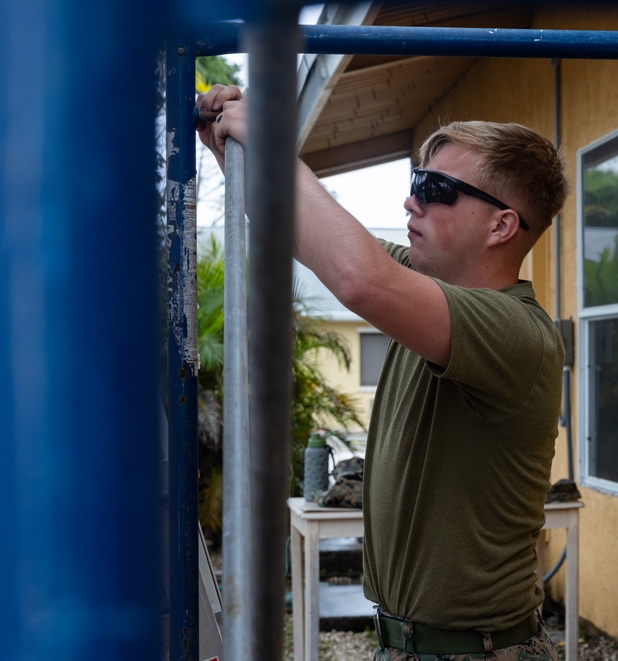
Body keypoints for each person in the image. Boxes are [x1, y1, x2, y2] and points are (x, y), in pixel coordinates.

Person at [197, 84, 569, 660]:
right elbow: (301, 230)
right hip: (409, 643)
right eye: (414, 182)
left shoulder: (516, 333)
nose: (410, 202)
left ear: (501, 227)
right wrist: (233, 150)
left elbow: (358, 278)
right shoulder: (420, 294)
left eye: (435, 188)